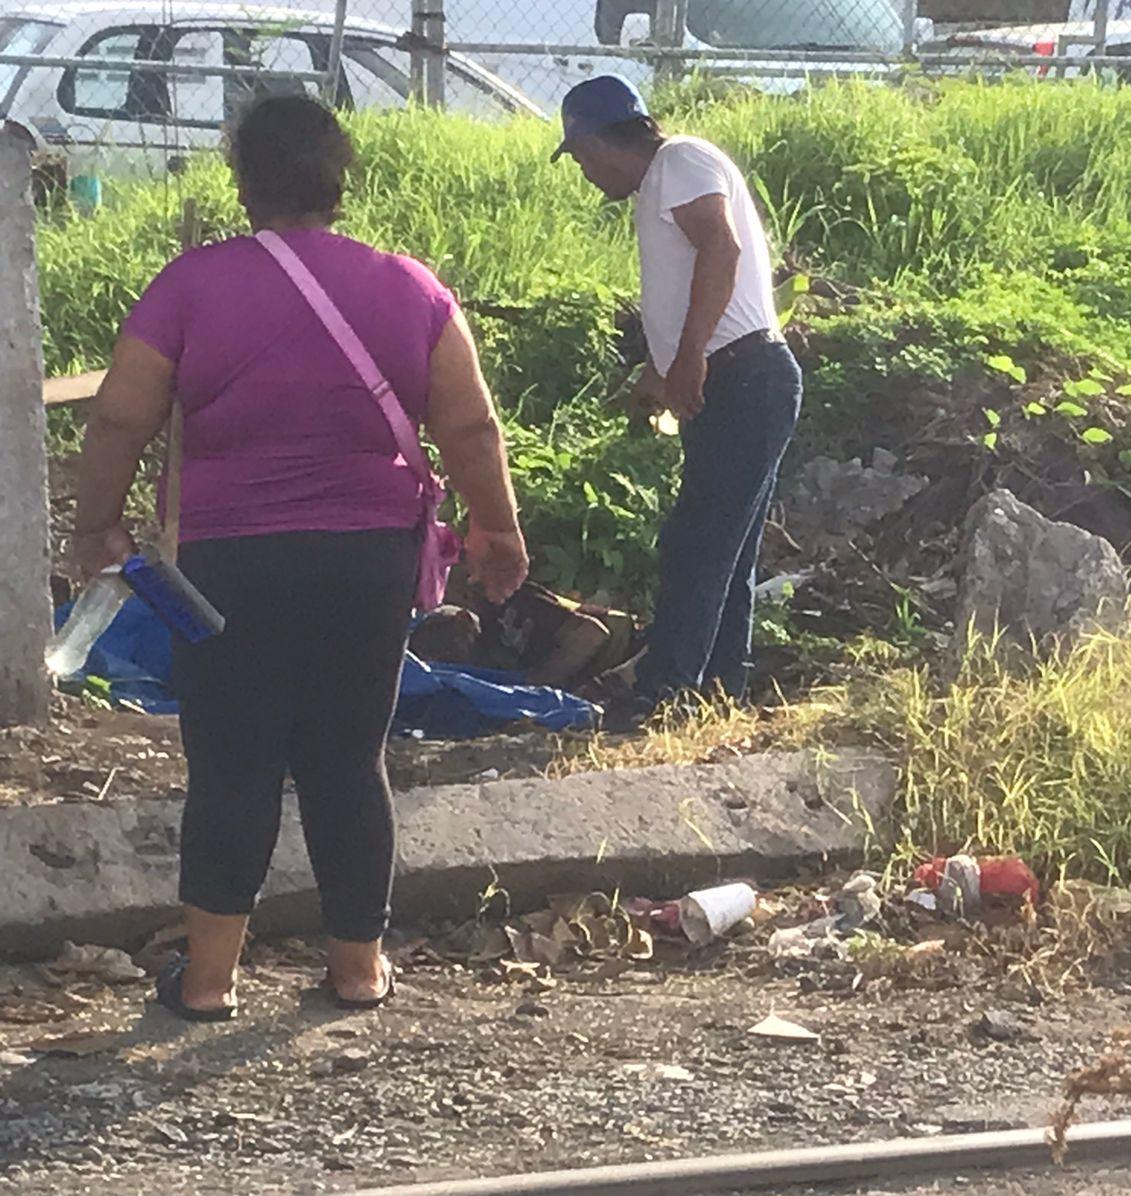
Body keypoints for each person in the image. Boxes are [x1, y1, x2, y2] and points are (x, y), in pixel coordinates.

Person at [71, 95, 529, 1020]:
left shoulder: (189, 286)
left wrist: (96, 527)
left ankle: (208, 983)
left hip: (226, 563)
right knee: (349, 759)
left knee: (231, 763)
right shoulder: (407, 286)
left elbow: (120, 416)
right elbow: (471, 426)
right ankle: (359, 970)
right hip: (366, 558)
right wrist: (496, 528)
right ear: (337, 177)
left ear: (244, 181)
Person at [551, 76, 802, 725]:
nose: (585, 174)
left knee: (696, 542)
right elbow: (692, 278)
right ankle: (718, 690)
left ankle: (665, 691)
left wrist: (689, 358)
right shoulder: (662, 180)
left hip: (743, 376)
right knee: (724, 547)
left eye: (579, 159)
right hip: (737, 378)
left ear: (596, 143)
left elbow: (721, 245)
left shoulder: (679, 160)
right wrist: (658, 369)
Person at [409, 578, 639, 688]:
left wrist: (538, 681)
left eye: (450, 650)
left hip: (627, 647)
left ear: (463, 621)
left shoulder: (508, 601)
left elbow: (592, 633)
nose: (456, 659)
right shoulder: (487, 648)